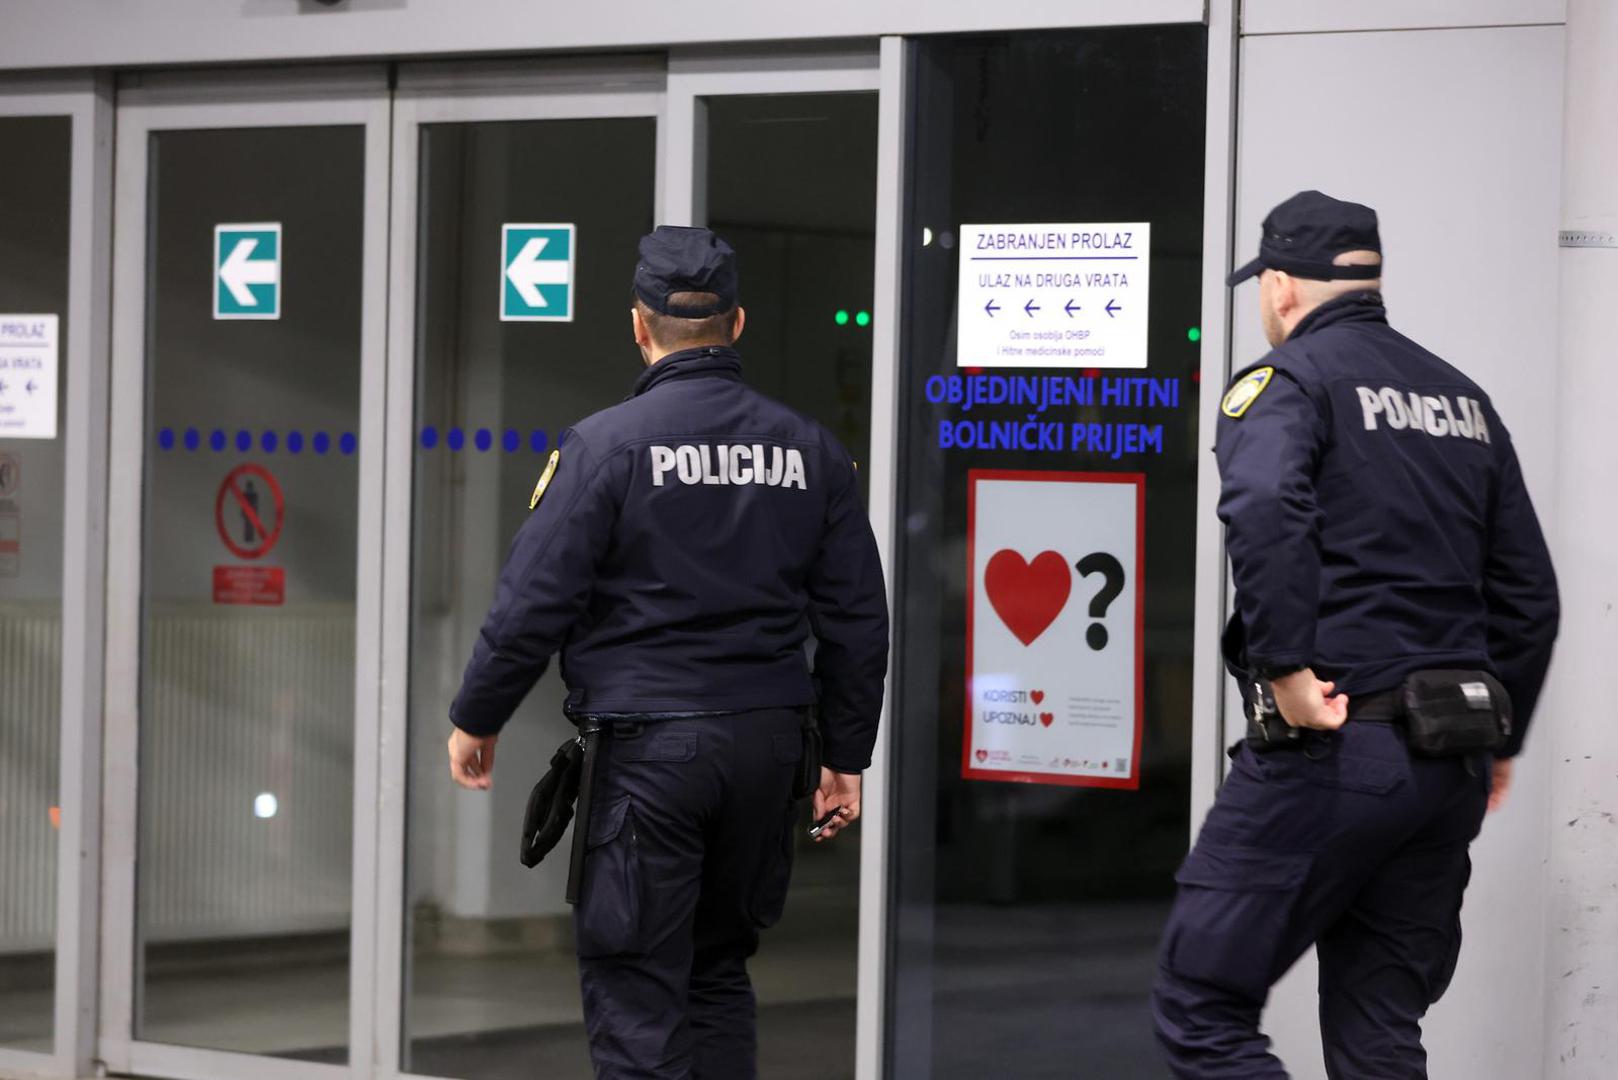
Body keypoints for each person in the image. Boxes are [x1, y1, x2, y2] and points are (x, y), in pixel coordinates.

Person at [443, 225, 890, 1079]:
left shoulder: (605, 447)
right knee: (716, 973)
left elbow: (534, 601)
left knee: (637, 987)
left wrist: (478, 715)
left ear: (638, 326)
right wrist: (845, 754)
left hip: (651, 757)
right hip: (766, 751)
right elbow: (857, 620)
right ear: (738, 322)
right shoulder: (813, 452)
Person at [1151, 190, 1559, 1078]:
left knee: (1200, 1003)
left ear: (1283, 286)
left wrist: (1285, 669)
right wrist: (1501, 738)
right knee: (1378, 1030)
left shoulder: (1289, 382)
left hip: (1333, 745)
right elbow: (1530, 594)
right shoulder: (1463, 400)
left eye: (1266, 285)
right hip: (1445, 765)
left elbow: (1266, 504)